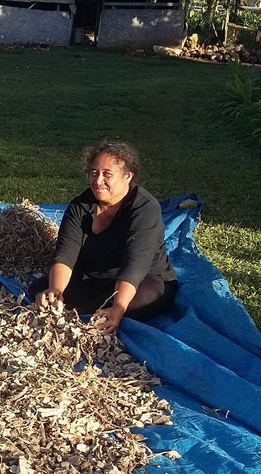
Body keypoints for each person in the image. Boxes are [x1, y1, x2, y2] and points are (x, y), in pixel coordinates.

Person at [29, 140, 178, 333]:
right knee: (40, 289)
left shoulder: (144, 209)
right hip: (97, 276)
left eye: (107, 174)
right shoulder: (80, 207)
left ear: (127, 176)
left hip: (144, 279)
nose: (98, 181)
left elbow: (135, 265)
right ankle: (86, 308)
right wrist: (55, 291)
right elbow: (65, 254)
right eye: (94, 173)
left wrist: (119, 307)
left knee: (134, 304)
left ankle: (98, 311)